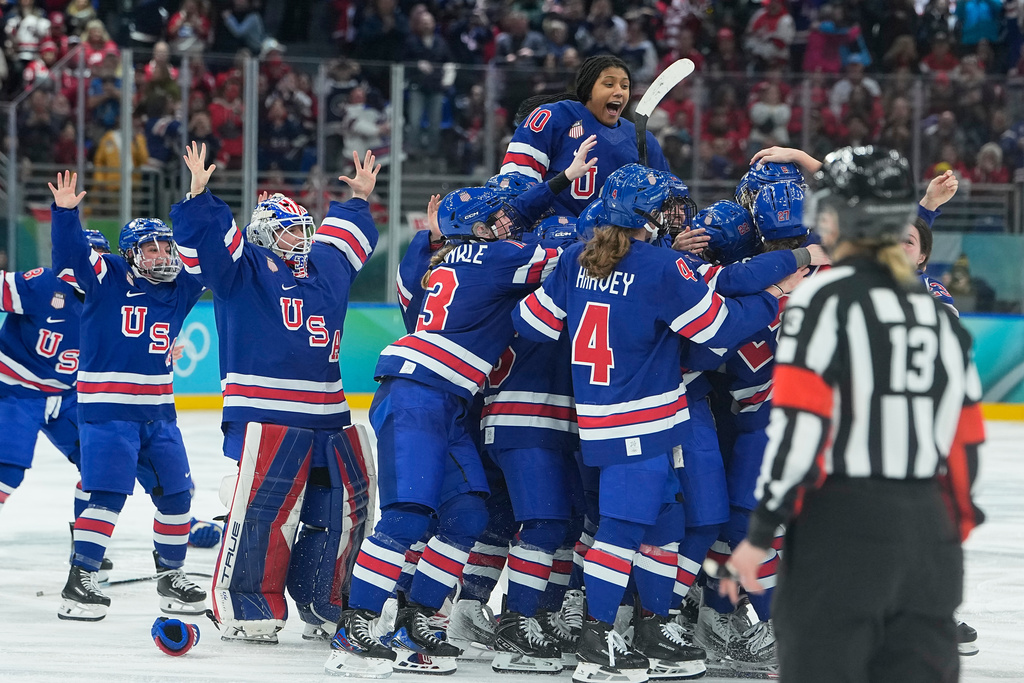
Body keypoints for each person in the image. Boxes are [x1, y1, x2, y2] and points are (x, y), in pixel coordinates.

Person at [512, 165, 792, 683]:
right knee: (622, 528)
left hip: (598, 413)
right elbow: (720, 328)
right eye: (664, 206)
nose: (673, 215)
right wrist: (775, 296)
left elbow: (531, 322)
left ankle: (652, 627)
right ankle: (598, 641)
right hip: (643, 415)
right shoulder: (663, 266)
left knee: (663, 522)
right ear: (645, 214)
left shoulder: (577, 258)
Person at [721, 146, 986, 683]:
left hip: (841, 532)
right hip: (929, 537)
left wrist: (760, 532)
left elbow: (798, 430)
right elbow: (966, 437)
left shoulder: (824, 299)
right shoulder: (936, 311)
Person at [171, 144, 380, 643]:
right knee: (263, 512)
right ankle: (248, 606)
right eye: (290, 230)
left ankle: (326, 600)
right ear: (264, 234)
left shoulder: (327, 268)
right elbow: (207, 253)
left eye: (306, 229)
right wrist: (199, 197)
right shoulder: (243, 270)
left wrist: (357, 201)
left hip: (330, 414)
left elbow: (347, 238)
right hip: (264, 414)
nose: (301, 239)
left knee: (338, 512)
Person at [48, 171, 207, 622]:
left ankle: (171, 576)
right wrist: (65, 212)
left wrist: (196, 199)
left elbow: (209, 252)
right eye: (150, 247)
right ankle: (80, 581)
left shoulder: (180, 288)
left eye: (165, 246)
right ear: (131, 254)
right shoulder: (107, 275)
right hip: (107, 411)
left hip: (159, 412)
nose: (161, 254)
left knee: (178, 496)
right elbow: (73, 253)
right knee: (107, 495)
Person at [0, 231, 108, 519]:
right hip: (15, 390)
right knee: (6, 473)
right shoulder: (42, 283)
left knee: (100, 466)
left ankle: (86, 541)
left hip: (68, 396)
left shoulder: (112, 302)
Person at [500, 54, 670, 216]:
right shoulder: (551, 117)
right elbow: (515, 186)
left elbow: (667, 201)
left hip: (615, 240)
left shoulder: (643, 140)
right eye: (609, 84)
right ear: (588, 90)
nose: (619, 92)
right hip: (554, 237)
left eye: (625, 86)